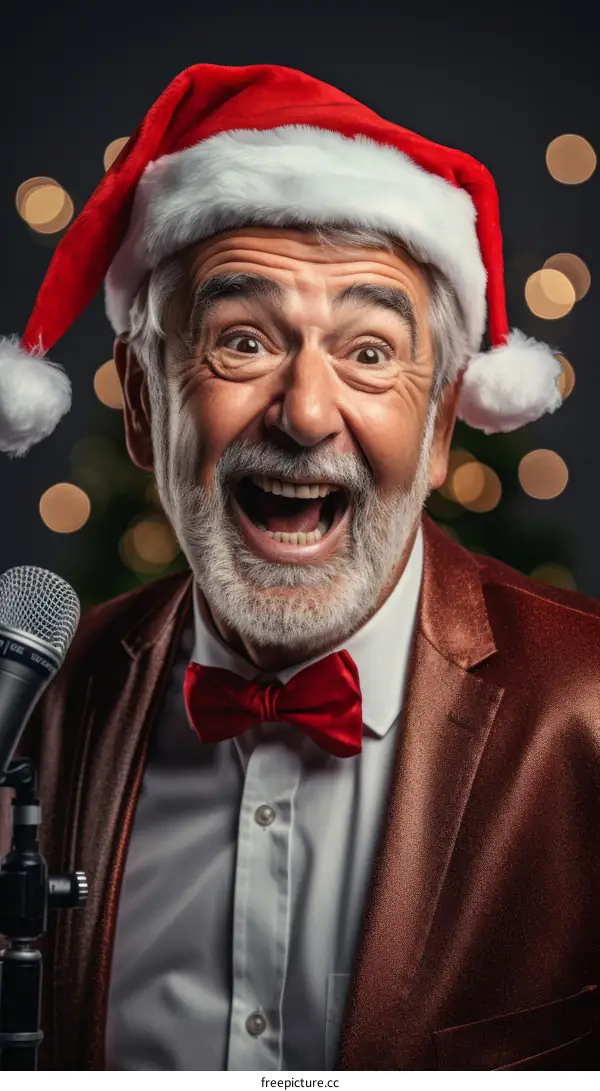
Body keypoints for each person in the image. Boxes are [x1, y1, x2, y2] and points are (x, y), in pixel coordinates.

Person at [0, 63, 599, 1072]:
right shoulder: (37, 715)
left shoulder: (589, 708)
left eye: (370, 352)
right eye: (242, 340)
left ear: (444, 418)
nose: (308, 413)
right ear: (143, 405)